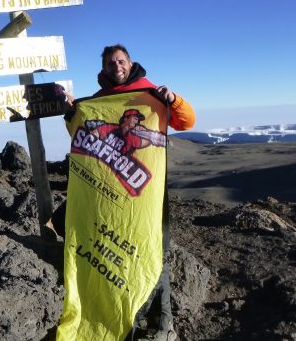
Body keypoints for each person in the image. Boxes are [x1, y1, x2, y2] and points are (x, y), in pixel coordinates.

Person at [59, 44, 195, 341]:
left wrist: (172, 100)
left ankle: (161, 326)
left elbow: (186, 122)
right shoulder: (98, 102)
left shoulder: (150, 95)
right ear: (104, 68)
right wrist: (72, 112)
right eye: (110, 63)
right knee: (108, 259)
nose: (115, 66)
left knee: (153, 255)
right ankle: (118, 320)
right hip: (107, 197)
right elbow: (81, 135)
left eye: (120, 61)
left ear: (130, 63)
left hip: (147, 199)